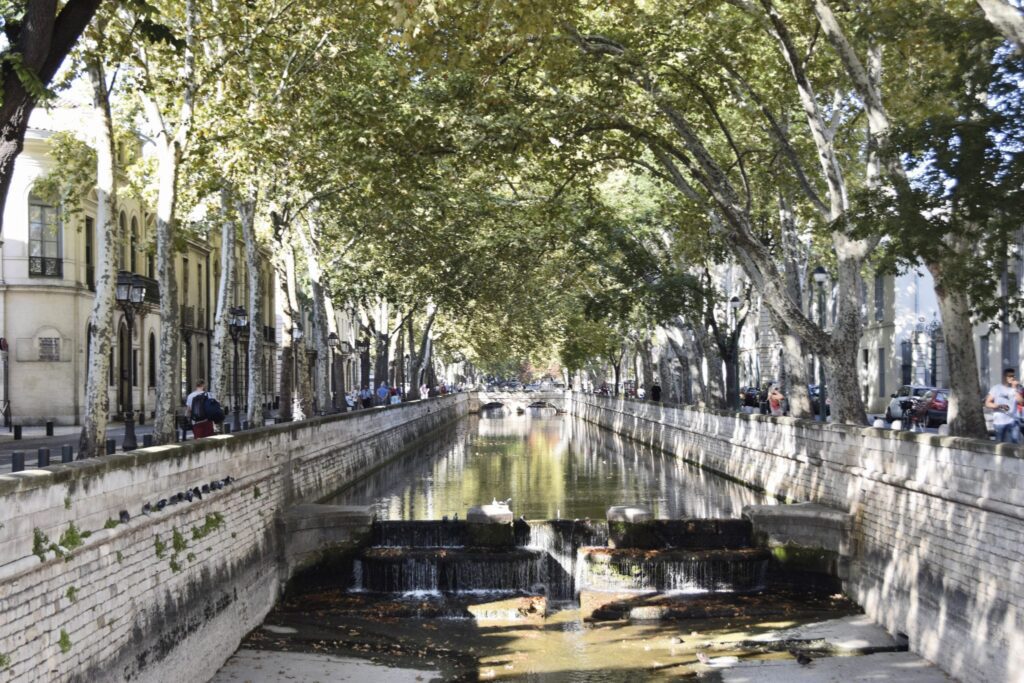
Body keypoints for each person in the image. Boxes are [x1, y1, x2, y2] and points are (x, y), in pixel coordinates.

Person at [985, 368, 1024, 443]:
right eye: (1009, 376)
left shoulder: (1015, 389)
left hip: (1013, 421)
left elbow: (1022, 402)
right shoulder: (996, 388)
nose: (1011, 378)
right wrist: (999, 406)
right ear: (1004, 377)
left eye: (1013, 376)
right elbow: (987, 403)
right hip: (999, 422)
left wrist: (1015, 389)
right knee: (999, 443)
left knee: (1015, 442)